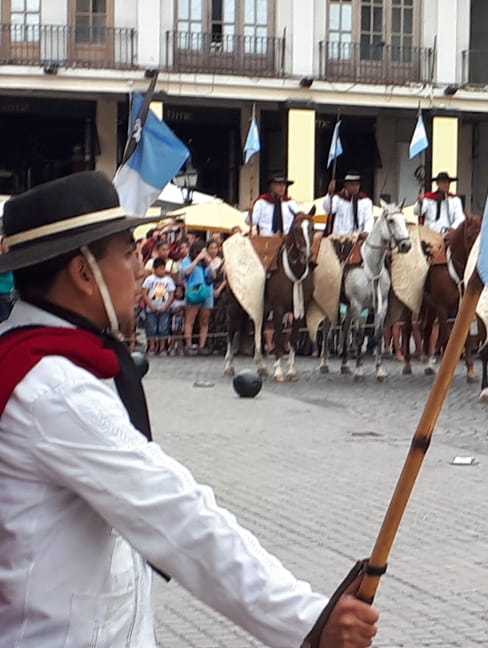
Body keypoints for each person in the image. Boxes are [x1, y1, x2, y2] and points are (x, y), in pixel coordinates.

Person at [0, 171, 377, 647]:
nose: (140, 269)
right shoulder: (55, 388)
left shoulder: (43, 361)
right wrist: (308, 620)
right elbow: (178, 513)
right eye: (127, 254)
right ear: (83, 274)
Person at [323, 171, 373, 238]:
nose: (355, 187)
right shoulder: (338, 198)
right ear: (346, 185)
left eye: (357, 184)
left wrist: (367, 231)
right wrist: (329, 195)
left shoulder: (365, 201)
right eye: (352, 184)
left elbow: (369, 219)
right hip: (338, 238)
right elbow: (329, 209)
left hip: (357, 237)